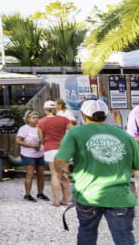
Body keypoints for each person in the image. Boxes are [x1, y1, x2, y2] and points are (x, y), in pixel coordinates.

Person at [55, 99, 139, 245]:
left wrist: (64, 171)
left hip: (88, 195)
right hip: (120, 197)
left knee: (87, 233)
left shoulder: (75, 133)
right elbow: (133, 169)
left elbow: (60, 160)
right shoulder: (126, 137)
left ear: (83, 115)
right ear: (106, 115)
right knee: (124, 238)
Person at [38, 100, 73, 207]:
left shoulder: (41, 122)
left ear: (45, 109)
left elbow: (41, 139)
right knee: (64, 174)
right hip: (63, 149)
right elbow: (73, 132)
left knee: (54, 174)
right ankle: (65, 200)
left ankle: (56, 200)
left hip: (50, 148)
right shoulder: (64, 120)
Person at [15, 111, 47, 202]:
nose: (36, 119)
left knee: (41, 174)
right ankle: (27, 194)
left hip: (40, 153)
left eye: (37, 117)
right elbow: (18, 141)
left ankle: (40, 193)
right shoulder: (24, 128)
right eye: (33, 117)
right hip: (28, 154)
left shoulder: (40, 128)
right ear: (28, 119)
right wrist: (32, 145)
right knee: (30, 174)